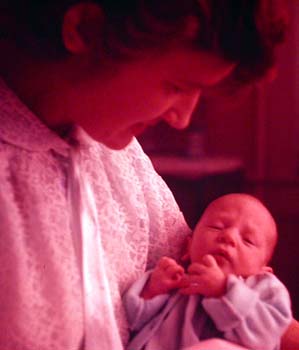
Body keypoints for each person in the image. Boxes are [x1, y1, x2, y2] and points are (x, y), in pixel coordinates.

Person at [0, 1, 292, 349]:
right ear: (84, 30)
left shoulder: (116, 153)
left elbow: (216, 283)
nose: (182, 119)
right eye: (177, 86)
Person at [124, 193, 293, 350]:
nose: (229, 236)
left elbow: (268, 336)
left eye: (248, 240)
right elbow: (132, 321)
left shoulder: (264, 287)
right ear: (188, 247)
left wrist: (224, 291)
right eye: (216, 227)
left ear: (263, 270)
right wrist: (152, 290)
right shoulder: (177, 279)